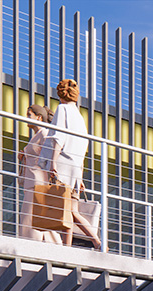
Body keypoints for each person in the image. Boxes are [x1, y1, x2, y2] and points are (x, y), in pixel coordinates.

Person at [51, 79, 91, 247]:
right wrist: (80, 176)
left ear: (61, 95)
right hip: (75, 168)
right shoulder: (80, 118)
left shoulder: (62, 109)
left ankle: (93, 240)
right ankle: (91, 242)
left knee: (61, 209)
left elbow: (59, 137)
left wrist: (52, 162)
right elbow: (82, 148)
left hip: (63, 165)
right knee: (70, 210)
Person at [18, 103, 63, 243]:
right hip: (33, 181)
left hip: (37, 181)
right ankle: (54, 245)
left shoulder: (44, 134)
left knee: (30, 216)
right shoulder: (38, 135)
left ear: (38, 117)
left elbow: (50, 156)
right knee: (38, 216)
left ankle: (30, 245)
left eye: (29, 115)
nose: (26, 118)